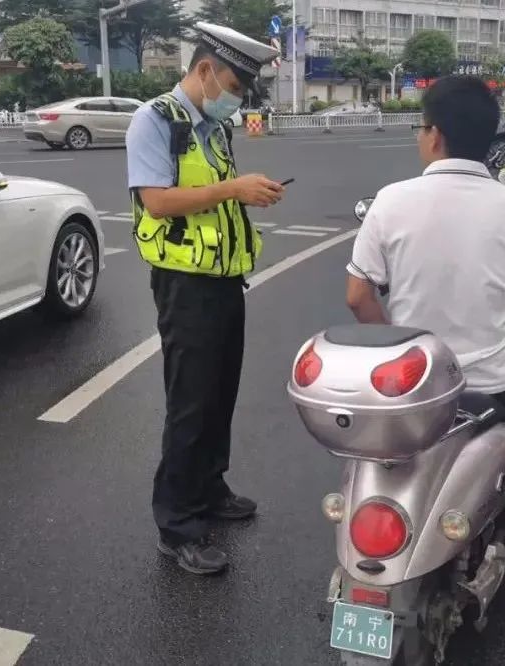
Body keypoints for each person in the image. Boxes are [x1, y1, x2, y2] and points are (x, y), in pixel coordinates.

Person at [344, 75, 505, 589]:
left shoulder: (390, 202)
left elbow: (358, 296)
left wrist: (399, 346)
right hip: (497, 380)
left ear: (435, 135)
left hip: (418, 384)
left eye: (421, 128)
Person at [125, 22, 284, 575]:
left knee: (219, 394)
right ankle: (177, 524)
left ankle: (210, 487)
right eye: (234, 87)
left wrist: (248, 195)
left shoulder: (214, 129)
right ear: (204, 71)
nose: (237, 99)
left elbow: (211, 200)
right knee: (190, 403)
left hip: (223, 278)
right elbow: (157, 201)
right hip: (184, 284)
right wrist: (233, 189)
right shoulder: (154, 120)